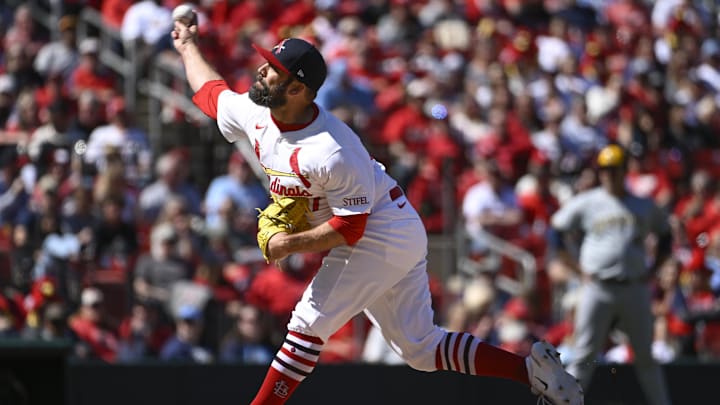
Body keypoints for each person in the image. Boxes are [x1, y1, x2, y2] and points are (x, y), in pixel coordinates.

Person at [172, 16, 582, 405]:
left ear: (297, 89)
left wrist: (287, 244)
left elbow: (351, 230)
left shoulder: (331, 149)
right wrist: (188, 44)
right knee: (420, 349)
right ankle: (534, 373)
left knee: (307, 325)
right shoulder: (257, 112)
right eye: (267, 61)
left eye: (274, 67)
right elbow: (211, 93)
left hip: (377, 230)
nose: (262, 70)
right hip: (393, 225)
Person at [550, 144, 673, 405]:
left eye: (613, 169)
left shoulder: (642, 204)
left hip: (634, 287)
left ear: (624, 170)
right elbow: (556, 230)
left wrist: (653, 269)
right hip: (598, 286)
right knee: (584, 355)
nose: (608, 174)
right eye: (604, 169)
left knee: (646, 356)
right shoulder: (588, 201)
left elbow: (665, 234)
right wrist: (575, 268)